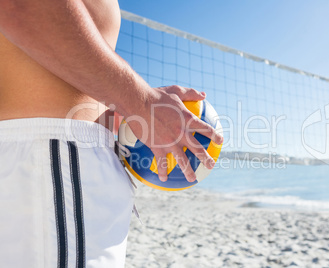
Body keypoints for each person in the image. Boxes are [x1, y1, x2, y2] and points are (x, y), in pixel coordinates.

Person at [0, 1, 223, 267]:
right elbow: (22, 7)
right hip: (50, 162)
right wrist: (143, 103)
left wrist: (137, 114)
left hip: (57, 164)